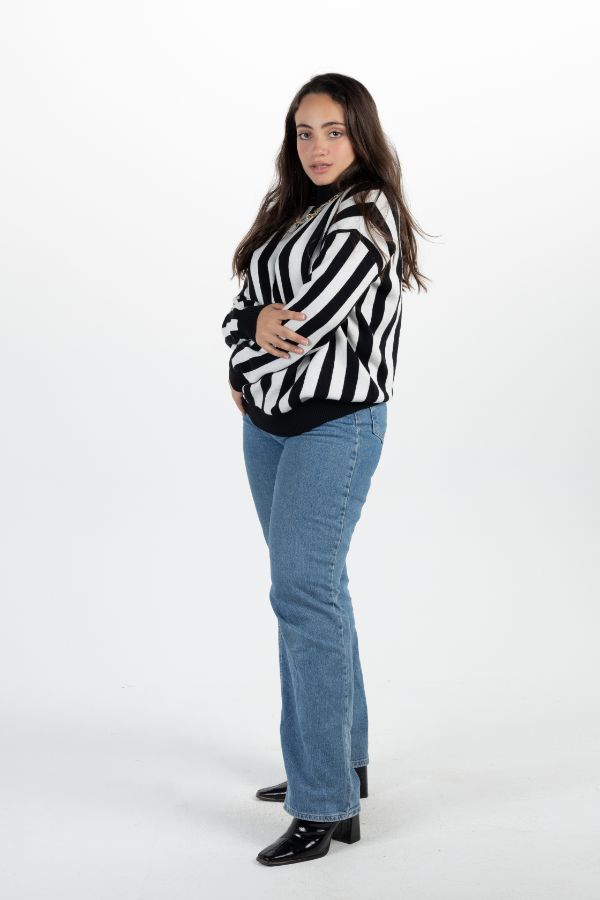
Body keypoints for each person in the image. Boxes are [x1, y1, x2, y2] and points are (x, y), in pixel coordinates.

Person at [221, 73, 430, 866]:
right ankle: (343, 759)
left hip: (335, 426)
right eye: (304, 132)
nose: (317, 147)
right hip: (270, 428)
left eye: (334, 132)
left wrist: (243, 359)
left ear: (361, 136)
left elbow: (300, 327)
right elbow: (243, 307)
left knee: (301, 593)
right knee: (317, 589)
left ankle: (324, 801)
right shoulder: (291, 208)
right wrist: (249, 337)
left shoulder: (365, 219)